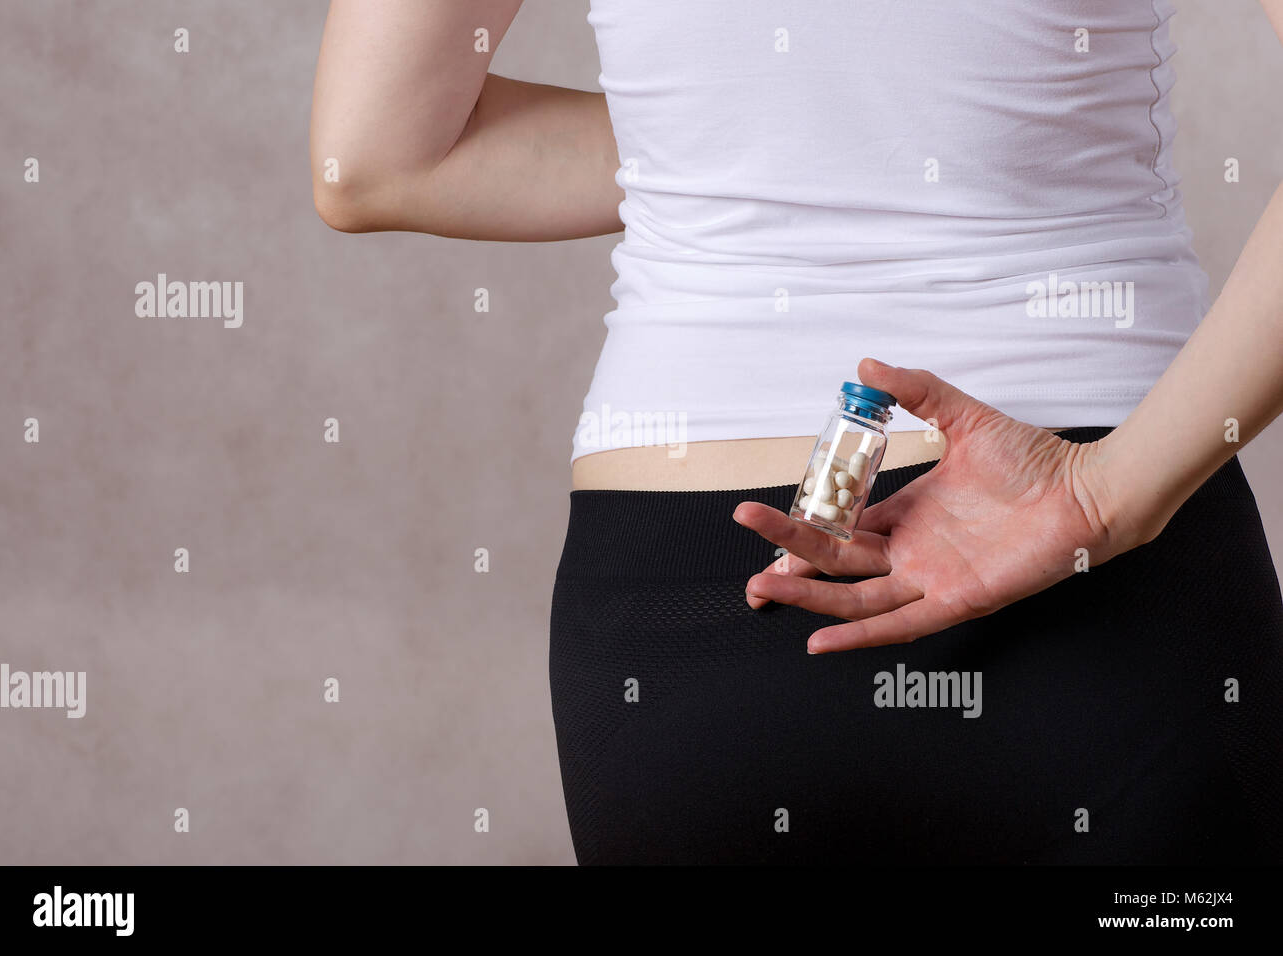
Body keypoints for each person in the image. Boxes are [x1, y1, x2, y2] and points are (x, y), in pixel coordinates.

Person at [311, 0, 1283, 864]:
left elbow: (375, 158)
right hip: (1087, 559)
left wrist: (734, 141)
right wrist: (1098, 497)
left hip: (684, 616)